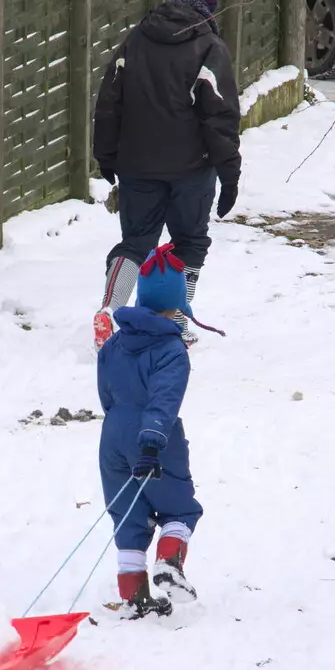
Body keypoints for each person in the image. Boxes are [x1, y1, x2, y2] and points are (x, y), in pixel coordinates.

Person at [91, 0, 243, 351]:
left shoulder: (136, 39)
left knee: (135, 242)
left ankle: (109, 309)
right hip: (191, 170)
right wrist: (229, 175)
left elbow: (110, 101)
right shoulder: (209, 48)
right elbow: (219, 118)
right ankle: (175, 317)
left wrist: (106, 156)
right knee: (190, 242)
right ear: (208, 5)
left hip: (137, 165)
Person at [97, 244, 219, 618]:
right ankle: (169, 565)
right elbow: (164, 399)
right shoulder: (171, 349)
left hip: (112, 437)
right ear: (178, 306)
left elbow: (106, 390)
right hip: (153, 439)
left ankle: (134, 598)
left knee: (129, 517)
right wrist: (150, 442)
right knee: (180, 510)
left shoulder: (115, 342)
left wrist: (118, 426)